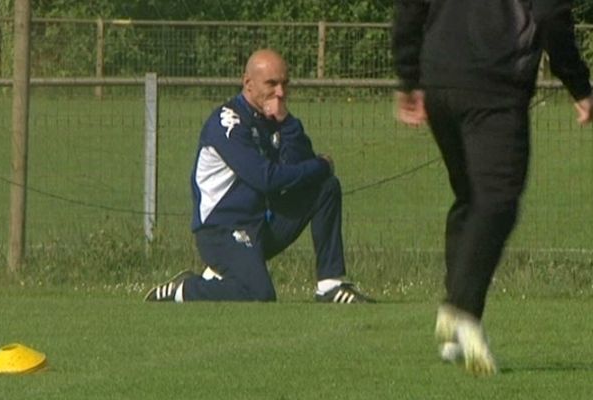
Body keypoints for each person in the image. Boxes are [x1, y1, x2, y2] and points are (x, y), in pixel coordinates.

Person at [393, 0, 593, 375]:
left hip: (440, 81)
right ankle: (462, 309)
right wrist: (579, 85)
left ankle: (455, 332)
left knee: (471, 198)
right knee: (498, 200)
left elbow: (410, 7)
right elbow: (549, 14)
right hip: (495, 84)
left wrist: (409, 76)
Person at [145, 49, 374, 304]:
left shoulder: (272, 118)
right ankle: (186, 289)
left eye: (285, 84)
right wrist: (322, 165)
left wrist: (286, 122)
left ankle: (330, 285)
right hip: (223, 229)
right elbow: (267, 179)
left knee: (325, 187)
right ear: (248, 84)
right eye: (272, 84)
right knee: (259, 294)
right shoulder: (227, 123)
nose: (281, 92)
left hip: (261, 225)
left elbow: (301, 163)